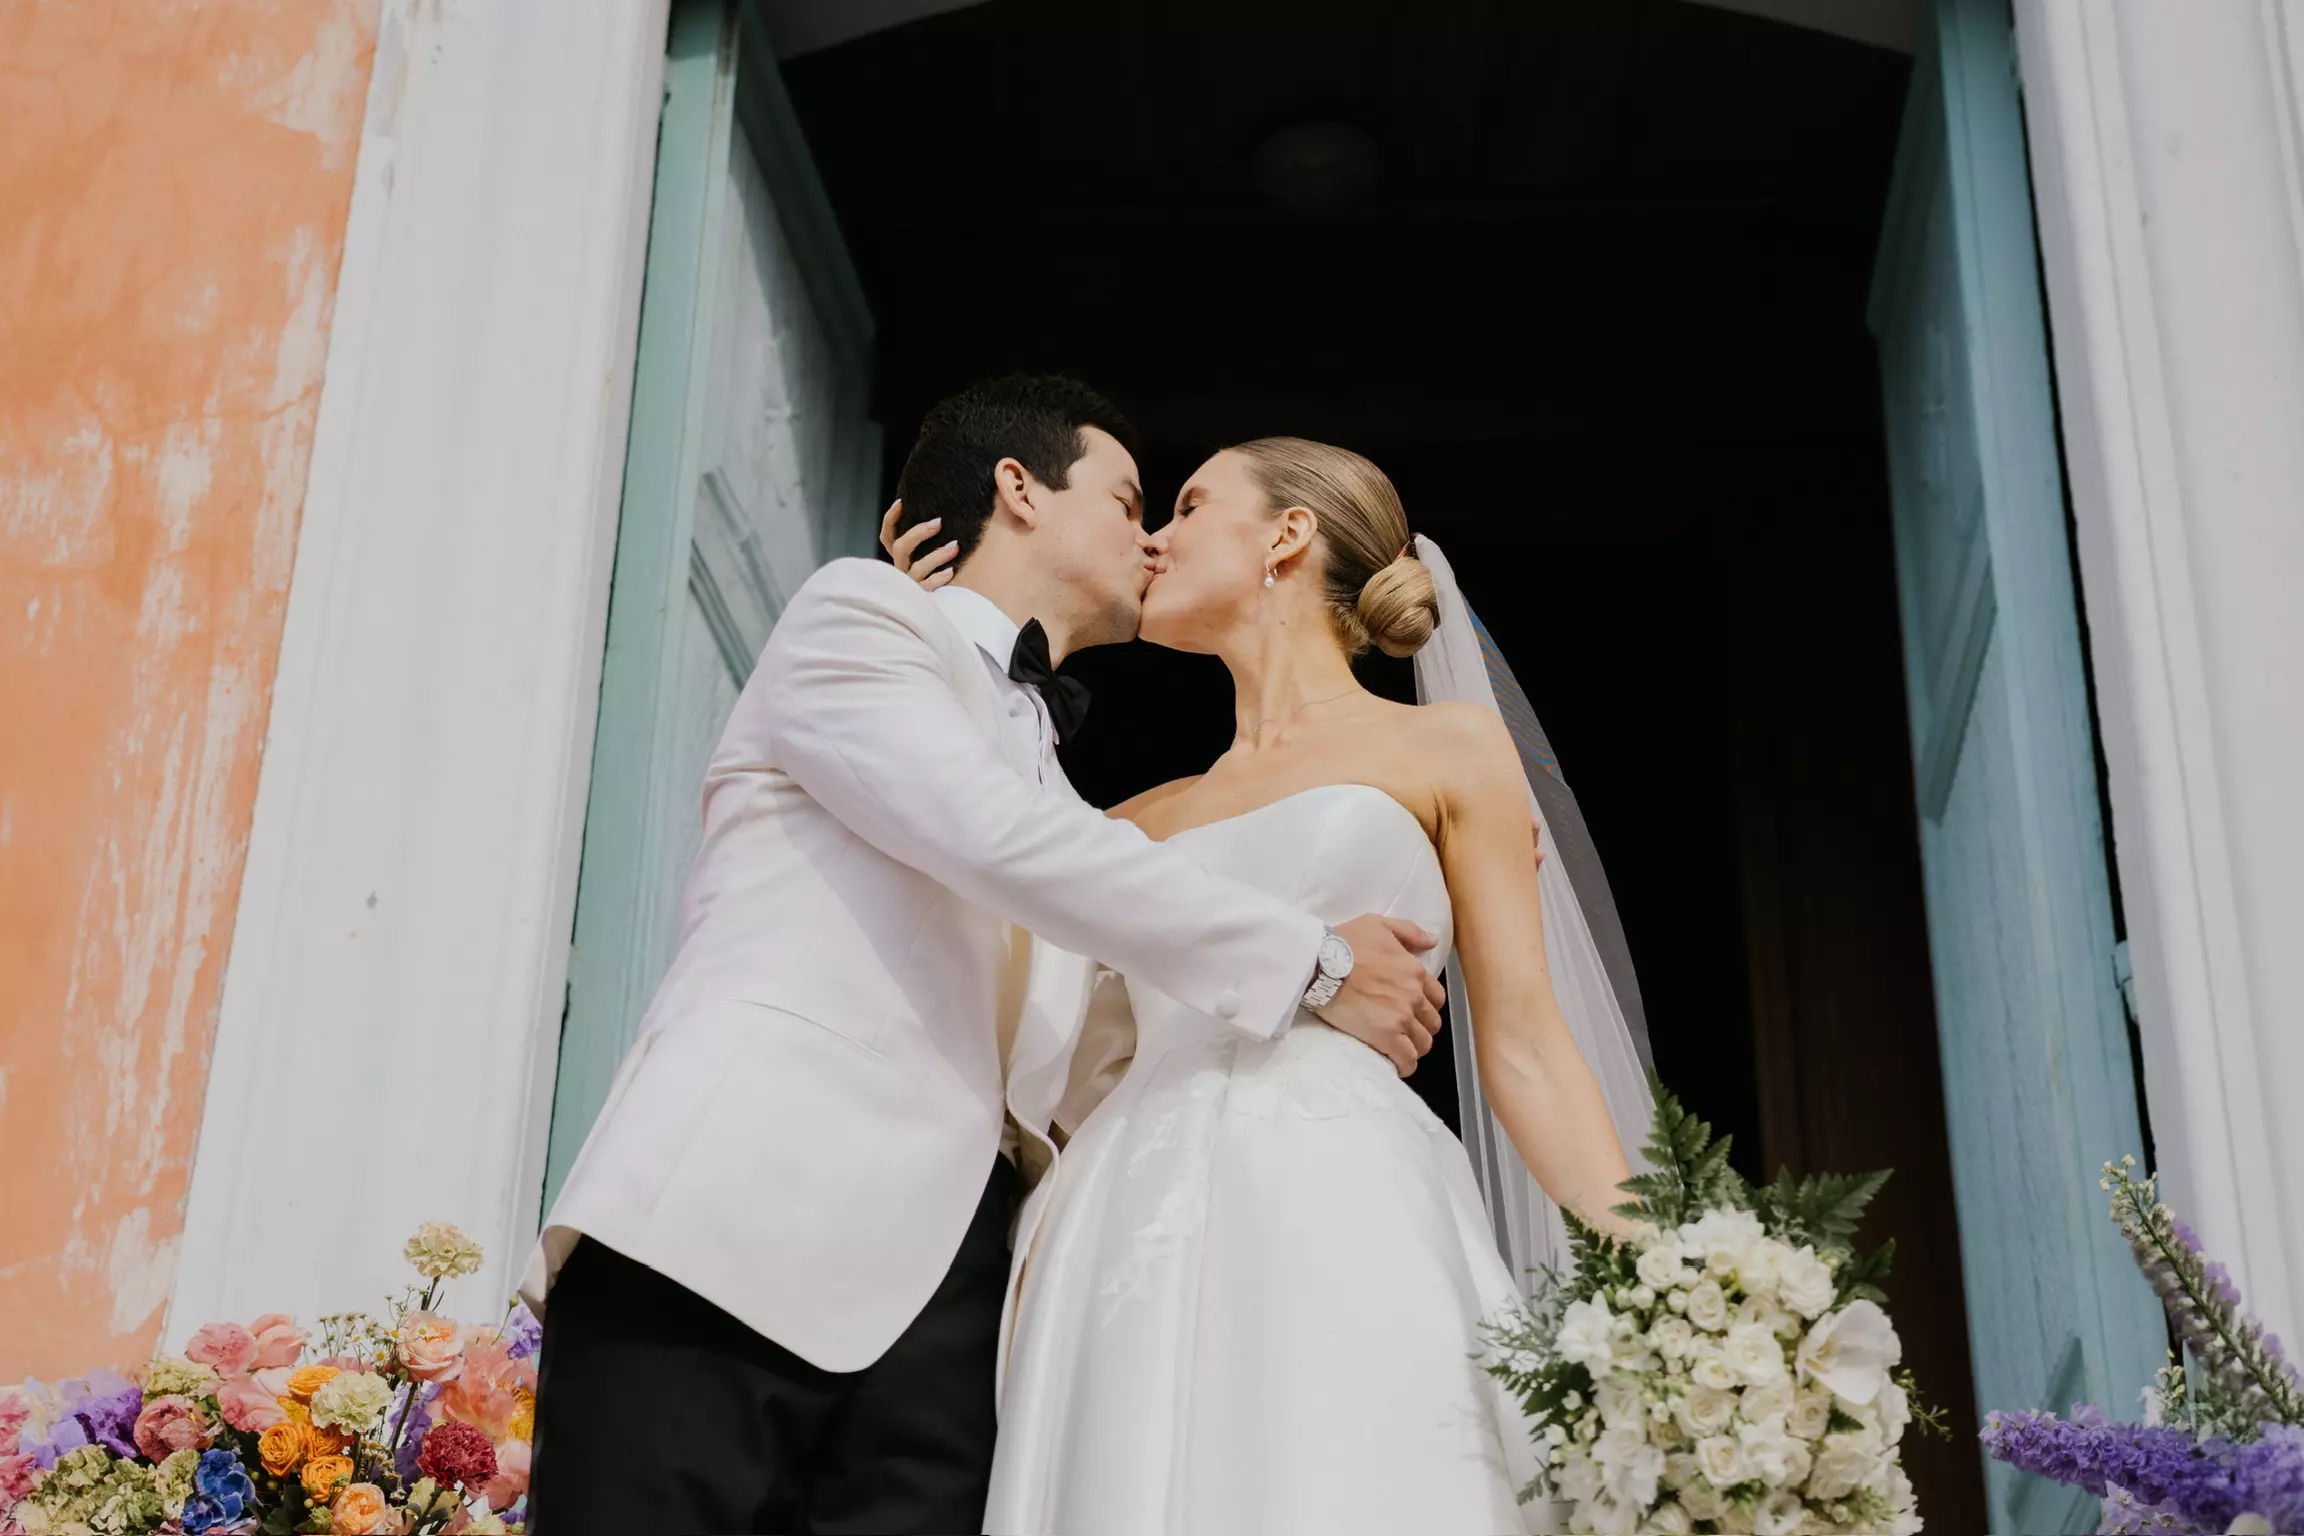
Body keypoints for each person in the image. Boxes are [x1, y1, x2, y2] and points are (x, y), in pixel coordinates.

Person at [518, 377, 1450, 1536]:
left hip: (958, 1329)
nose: (1153, 538)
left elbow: (1099, 1026)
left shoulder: (1078, 799)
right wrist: (1311, 959)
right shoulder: (860, 616)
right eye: (1128, 501)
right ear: (1018, 490)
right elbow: (993, 837)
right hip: (734, 1235)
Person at [961, 437, 1648, 1535]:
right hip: (1126, 1220)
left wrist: (1670, 1270)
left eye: (1186, 506)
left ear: (1287, 535)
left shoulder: (1449, 750)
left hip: (1345, 1193)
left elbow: (1523, 1045)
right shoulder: (1125, 822)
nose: (1155, 537)